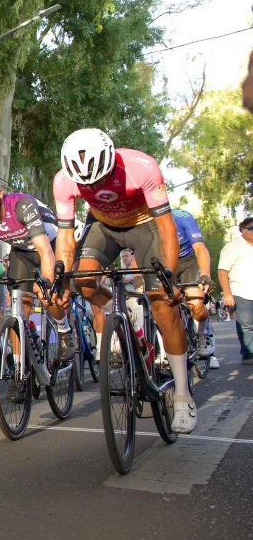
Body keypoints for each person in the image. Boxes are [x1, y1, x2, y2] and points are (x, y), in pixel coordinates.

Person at [53, 128, 196, 433]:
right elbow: (65, 238)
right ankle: (128, 306)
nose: (93, 186)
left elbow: (166, 226)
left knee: (162, 305)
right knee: (84, 282)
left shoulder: (141, 166)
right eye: (86, 183)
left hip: (146, 226)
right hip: (104, 226)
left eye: (100, 179)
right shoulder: (63, 181)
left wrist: (168, 277)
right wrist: (63, 283)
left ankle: (182, 394)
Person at [0, 170, 73, 360]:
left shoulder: (22, 205)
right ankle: (19, 372)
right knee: (17, 310)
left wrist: (46, 282)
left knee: (47, 296)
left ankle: (64, 331)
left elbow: (45, 250)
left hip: (49, 246)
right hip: (21, 252)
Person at [171, 209, 217, 366]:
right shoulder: (145, 222)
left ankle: (202, 333)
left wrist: (205, 275)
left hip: (188, 261)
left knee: (196, 305)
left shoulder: (183, 217)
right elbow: (136, 253)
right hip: (165, 264)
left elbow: (200, 249)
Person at [218, 217, 253, 365]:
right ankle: (249, 353)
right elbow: (222, 270)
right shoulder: (232, 247)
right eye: (250, 228)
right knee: (246, 324)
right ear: (242, 230)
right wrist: (227, 294)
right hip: (242, 291)